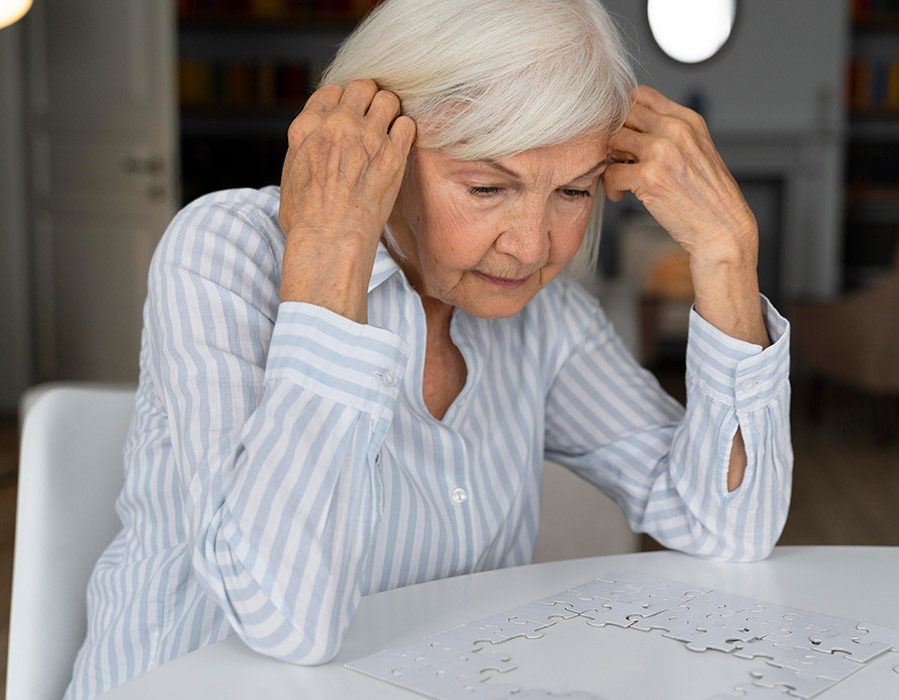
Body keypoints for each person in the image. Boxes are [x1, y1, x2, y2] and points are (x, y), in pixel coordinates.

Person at [65, 0, 792, 697]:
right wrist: (332, 250)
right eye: (486, 187)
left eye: (572, 192)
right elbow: (285, 621)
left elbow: (728, 525)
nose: (533, 246)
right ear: (382, 148)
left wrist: (727, 253)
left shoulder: (547, 320)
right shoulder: (223, 254)